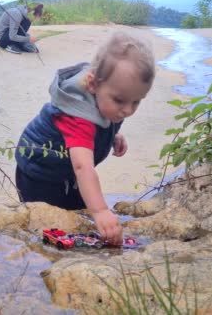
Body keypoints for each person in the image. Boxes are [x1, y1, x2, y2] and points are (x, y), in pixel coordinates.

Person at [15, 32, 156, 245]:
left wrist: (112, 134)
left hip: (66, 173)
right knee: (50, 229)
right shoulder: (78, 118)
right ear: (92, 84)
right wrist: (100, 211)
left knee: (79, 216)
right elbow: (83, 168)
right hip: (40, 174)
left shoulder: (108, 101)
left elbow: (100, 122)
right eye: (120, 100)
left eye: (136, 102)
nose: (127, 110)